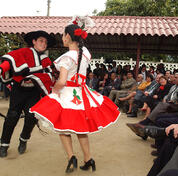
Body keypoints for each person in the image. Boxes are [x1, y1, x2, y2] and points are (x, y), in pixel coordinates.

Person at [30, 19, 120, 173]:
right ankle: (88, 159)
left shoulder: (66, 58)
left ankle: (71, 157)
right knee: (81, 128)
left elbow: (62, 81)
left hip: (67, 94)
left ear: (67, 37)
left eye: (63, 35)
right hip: (81, 93)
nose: (62, 37)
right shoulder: (85, 53)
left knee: (63, 128)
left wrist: (54, 91)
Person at [0, 30, 56, 158]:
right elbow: (9, 61)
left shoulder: (45, 59)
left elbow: (52, 73)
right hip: (19, 90)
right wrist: (0, 69)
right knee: (12, 117)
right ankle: (4, 144)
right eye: (41, 41)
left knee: (32, 117)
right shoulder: (22, 52)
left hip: (33, 92)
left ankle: (23, 139)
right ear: (34, 41)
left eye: (45, 42)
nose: (44, 44)